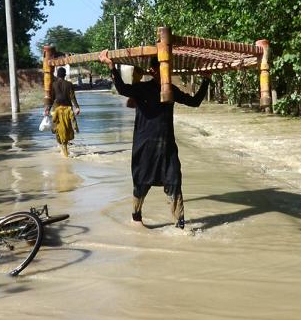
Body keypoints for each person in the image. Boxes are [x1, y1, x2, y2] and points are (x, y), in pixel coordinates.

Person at [99, 50, 210, 229]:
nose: (166, 71)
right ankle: (136, 220)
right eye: (162, 67)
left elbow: (194, 102)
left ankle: (180, 227)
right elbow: (122, 89)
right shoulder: (142, 89)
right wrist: (111, 66)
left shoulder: (171, 90)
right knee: (141, 183)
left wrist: (206, 79)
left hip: (166, 146)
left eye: (168, 67)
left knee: (174, 182)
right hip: (145, 146)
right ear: (153, 70)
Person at [44, 66, 81, 157]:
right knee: (67, 127)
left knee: (57, 129)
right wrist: (77, 107)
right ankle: (65, 146)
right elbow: (72, 97)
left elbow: (51, 99)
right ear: (65, 75)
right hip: (67, 109)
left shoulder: (53, 84)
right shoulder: (69, 84)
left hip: (56, 109)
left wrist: (47, 109)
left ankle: (61, 146)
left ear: (57, 75)